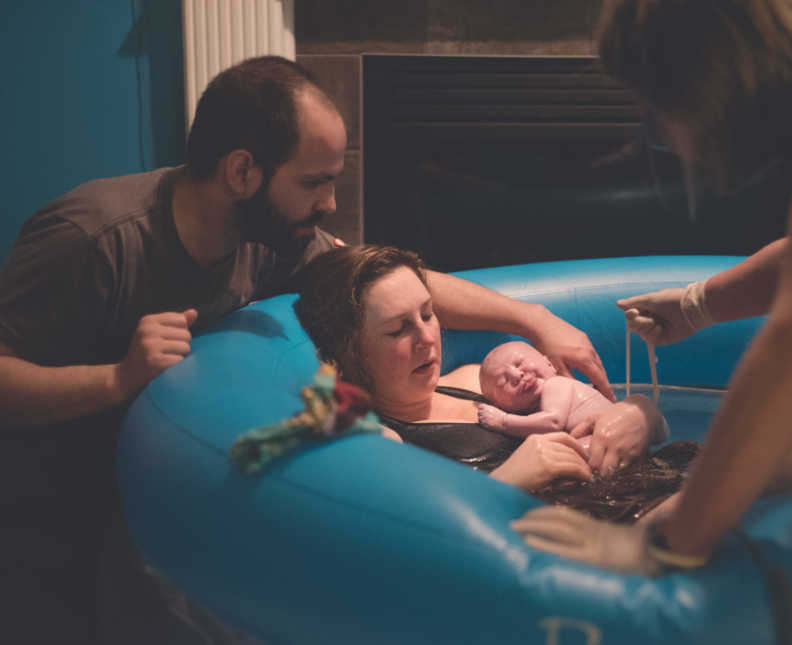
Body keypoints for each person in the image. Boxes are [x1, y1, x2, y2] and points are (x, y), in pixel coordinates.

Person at [0, 56, 614, 641]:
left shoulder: (272, 236)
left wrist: (532, 317)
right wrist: (116, 378)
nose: (330, 204)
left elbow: (388, 283)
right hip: (40, 515)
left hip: (145, 497)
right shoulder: (94, 240)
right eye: (315, 182)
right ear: (242, 172)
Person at [513, 0, 792, 574]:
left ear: (698, 75)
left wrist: (666, 541)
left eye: (652, 103)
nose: (654, 125)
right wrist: (697, 307)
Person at [294, 245, 701, 521]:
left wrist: (640, 414)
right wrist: (509, 479)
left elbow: (583, 405)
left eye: (428, 314)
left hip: (649, 484)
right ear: (350, 351)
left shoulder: (476, 379)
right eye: (399, 329)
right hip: (597, 532)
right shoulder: (383, 439)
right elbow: (411, 538)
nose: (427, 337)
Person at [477, 340, 668, 476]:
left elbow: (553, 421)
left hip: (600, 445)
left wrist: (503, 421)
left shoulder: (556, 384)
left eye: (519, 362)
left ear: (549, 363)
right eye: (504, 382)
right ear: (501, 404)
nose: (517, 374)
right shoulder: (532, 415)